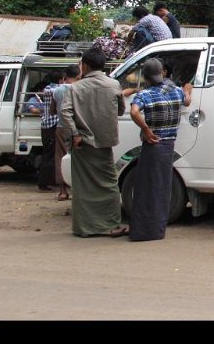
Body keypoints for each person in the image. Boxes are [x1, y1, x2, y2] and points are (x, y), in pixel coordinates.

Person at [59, 47, 128, 237]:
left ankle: (85, 227)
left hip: (82, 142)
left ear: (85, 65)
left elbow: (64, 112)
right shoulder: (114, 85)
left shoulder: (75, 88)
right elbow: (121, 110)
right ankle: (111, 224)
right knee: (109, 184)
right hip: (105, 142)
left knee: (82, 186)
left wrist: (74, 134)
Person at [128, 59, 193, 241]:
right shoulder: (175, 92)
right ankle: (157, 230)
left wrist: (146, 129)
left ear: (145, 77)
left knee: (145, 189)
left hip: (152, 146)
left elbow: (134, 112)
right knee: (161, 190)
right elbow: (187, 101)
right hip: (168, 147)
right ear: (162, 73)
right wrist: (188, 89)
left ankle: (142, 232)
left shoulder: (145, 95)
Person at [50, 64, 80, 201]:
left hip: (62, 127)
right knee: (79, 159)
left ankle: (63, 191)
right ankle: (79, 191)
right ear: (79, 75)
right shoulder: (80, 88)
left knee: (60, 158)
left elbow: (52, 111)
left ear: (64, 77)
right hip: (78, 128)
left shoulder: (57, 91)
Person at [38, 71, 64, 193]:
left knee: (48, 154)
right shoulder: (55, 90)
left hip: (46, 124)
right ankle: (44, 183)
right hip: (52, 125)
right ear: (60, 80)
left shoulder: (47, 89)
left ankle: (47, 181)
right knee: (50, 155)